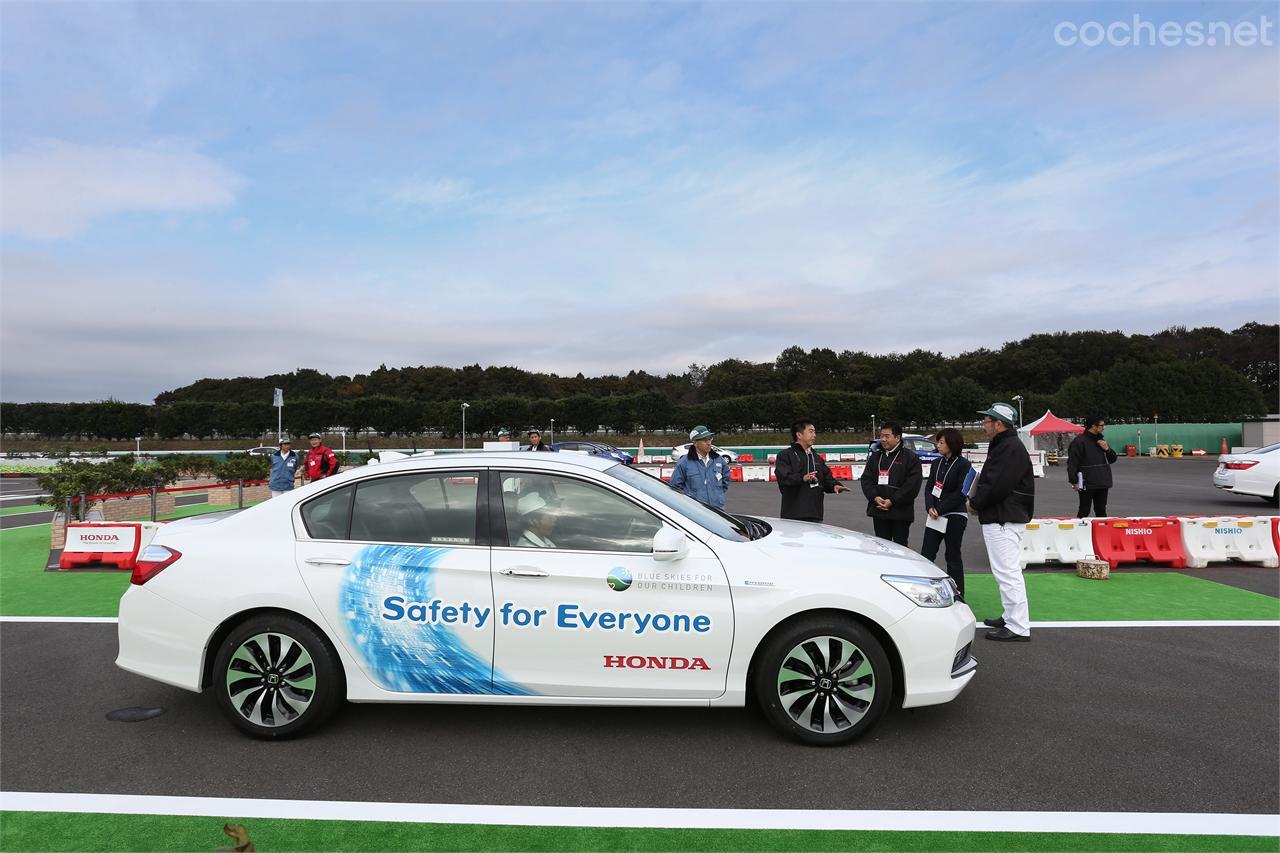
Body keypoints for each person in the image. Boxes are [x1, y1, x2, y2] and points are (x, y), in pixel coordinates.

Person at [968, 402, 1036, 642]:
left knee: (1007, 572)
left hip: (1004, 518)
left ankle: (1018, 626)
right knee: (1005, 571)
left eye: (987, 421)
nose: (984, 424)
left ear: (999, 424)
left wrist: (975, 503)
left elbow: (996, 484)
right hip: (1004, 516)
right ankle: (1011, 616)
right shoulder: (1006, 445)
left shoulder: (1008, 447)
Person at [920, 428, 974, 600]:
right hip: (935, 515)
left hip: (955, 515)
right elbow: (929, 488)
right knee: (927, 553)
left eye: (942, 442)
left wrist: (940, 509)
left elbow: (961, 493)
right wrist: (929, 507)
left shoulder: (963, 465)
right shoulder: (937, 463)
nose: (938, 445)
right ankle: (923, 590)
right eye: (939, 442)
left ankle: (958, 594)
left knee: (952, 555)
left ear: (952, 444)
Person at [859, 422, 922, 545]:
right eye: (881, 435)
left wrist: (892, 501)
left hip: (901, 513)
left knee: (900, 547)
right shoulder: (875, 457)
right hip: (879, 511)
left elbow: (912, 486)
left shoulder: (910, 458)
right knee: (882, 547)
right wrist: (874, 497)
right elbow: (866, 480)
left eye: (887, 436)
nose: (883, 439)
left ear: (897, 437)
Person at [775, 419, 848, 522]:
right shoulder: (785, 455)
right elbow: (784, 479)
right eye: (811, 431)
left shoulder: (817, 458)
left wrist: (834, 485)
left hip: (815, 514)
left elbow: (827, 478)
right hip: (793, 514)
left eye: (814, 432)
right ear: (799, 435)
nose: (814, 435)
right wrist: (802, 478)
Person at [1067, 415, 1118, 518]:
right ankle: (1079, 532)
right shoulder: (1079, 442)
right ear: (1093, 426)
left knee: (1101, 510)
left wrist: (1107, 449)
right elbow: (1072, 463)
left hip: (1103, 481)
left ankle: (1102, 532)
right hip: (1087, 481)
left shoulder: (1101, 441)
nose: (1104, 427)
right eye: (1102, 425)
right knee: (1084, 510)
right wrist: (1074, 481)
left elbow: (1113, 459)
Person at [670, 425, 731, 509]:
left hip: (718, 510)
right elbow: (675, 487)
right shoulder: (684, 463)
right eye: (705, 440)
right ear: (695, 443)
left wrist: (717, 493)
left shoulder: (718, 460)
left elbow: (726, 479)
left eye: (710, 439)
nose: (709, 443)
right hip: (695, 511)